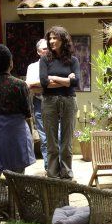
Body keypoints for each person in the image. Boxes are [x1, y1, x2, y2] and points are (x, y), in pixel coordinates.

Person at [0, 44, 35, 175]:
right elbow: (27, 112)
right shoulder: (19, 84)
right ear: (10, 63)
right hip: (15, 134)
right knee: (17, 176)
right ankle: (15, 195)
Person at [39, 26, 80, 179]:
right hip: (49, 101)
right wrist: (65, 80)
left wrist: (54, 78)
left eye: (55, 38)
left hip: (69, 100)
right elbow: (44, 82)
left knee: (67, 141)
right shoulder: (45, 59)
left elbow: (76, 81)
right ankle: (52, 173)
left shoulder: (73, 60)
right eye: (50, 38)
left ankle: (66, 172)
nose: (51, 41)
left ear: (63, 40)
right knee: (51, 141)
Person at [26, 38, 49, 168]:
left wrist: (41, 83)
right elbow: (29, 85)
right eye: (45, 49)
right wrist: (47, 83)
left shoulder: (55, 65)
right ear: (38, 52)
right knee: (44, 138)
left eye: (49, 49)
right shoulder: (33, 67)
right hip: (39, 103)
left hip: (54, 102)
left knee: (57, 136)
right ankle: (48, 167)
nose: (47, 51)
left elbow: (57, 85)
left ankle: (57, 166)